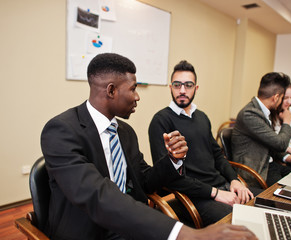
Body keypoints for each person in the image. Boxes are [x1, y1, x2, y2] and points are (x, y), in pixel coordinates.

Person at [41, 53, 257, 240]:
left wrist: (172, 160)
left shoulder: (124, 132)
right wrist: (186, 234)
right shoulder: (61, 130)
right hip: (90, 231)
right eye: (133, 89)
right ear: (111, 90)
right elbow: (98, 195)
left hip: (132, 223)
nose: (137, 97)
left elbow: (144, 181)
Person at [148, 60, 257, 226]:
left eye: (188, 85)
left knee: (266, 203)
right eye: (177, 85)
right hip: (193, 196)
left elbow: (217, 155)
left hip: (222, 186)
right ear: (171, 87)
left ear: (196, 88)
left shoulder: (202, 117)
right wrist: (215, 193)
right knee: (244, 224)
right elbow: (167, 176)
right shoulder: (161, 121)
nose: (182, 90)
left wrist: (234, 180)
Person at [231, 72, 291, 188]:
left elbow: (271, 145)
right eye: (282, 97)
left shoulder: (263, 111)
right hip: (257, 172)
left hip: (269, 165)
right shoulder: (250, 114)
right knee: (290, 191)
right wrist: (287, 122)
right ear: (276, 98)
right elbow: (280, 144)